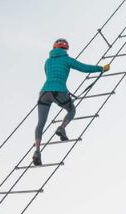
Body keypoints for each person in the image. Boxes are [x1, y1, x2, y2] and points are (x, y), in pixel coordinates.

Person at [32, 38, 109, 166]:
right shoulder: (67, 59)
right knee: (71, 110)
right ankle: (61, 128)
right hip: (59, 91)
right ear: (66, 48)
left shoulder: (48, 61)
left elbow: (49, 75)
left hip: (44, 93)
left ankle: (37, 151)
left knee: (40, 123)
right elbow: (83, 68)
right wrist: (101, 68)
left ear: (54, 48)